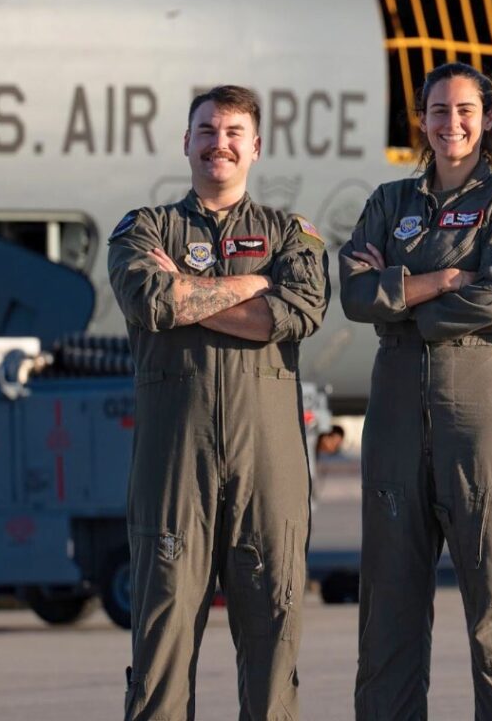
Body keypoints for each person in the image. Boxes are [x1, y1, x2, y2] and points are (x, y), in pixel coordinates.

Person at [107, 85, 329, 721]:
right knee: (162, 644)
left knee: (272, 642)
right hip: (176, 463)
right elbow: (152, 302)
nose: (219, 143)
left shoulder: (292, 234)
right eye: (207, 130)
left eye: (234, 132)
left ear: (255, 148)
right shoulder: (144, 228)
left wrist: (190, 290)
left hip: (269, 465)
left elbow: (295, 312)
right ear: (187, 143)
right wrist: (256, 287)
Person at [340, 62, 492, 719]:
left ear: (486, 120)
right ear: (421, 120)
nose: (450, 123)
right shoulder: (388, 202)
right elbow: (353, 293)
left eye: (464, 110)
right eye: (438, 110)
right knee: (389, 615)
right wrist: (442, 280)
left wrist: (401, 295)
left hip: (478, 411)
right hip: (397, 413)